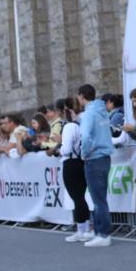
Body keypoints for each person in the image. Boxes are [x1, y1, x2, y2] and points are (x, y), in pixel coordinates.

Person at [78, 84, 114, 247]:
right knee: (100, 197)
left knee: (97, 198)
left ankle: (103, 233)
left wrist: (84, 153)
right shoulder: (102, 111)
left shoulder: (88, 114)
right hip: (105, 156)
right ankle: (100, 232)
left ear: (81, 96)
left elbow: (85, 136)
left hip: (94, 157)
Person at [59, 98, 91, 243]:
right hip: (81, 162)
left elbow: (65, 149)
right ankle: (86, 228)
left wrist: (59, 150)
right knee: (81, 196)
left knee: (76, 197)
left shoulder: (68, 127)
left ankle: (81, 230)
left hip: (70, 163)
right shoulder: (81, 125)